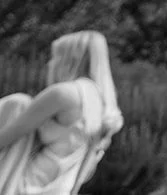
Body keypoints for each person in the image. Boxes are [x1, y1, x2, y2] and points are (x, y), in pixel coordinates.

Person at [0, 32, 123, 195]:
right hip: (55, 189)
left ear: (70, 60)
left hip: (24, 185)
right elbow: (86, 169)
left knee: (19, 102)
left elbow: (8, 135)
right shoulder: (101, 103)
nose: (50, 64)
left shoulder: (65, 94)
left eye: (55, 57)